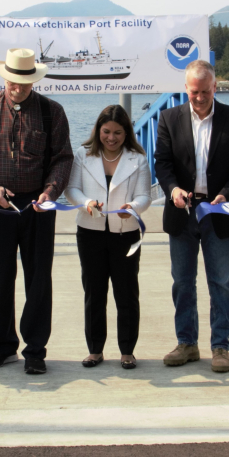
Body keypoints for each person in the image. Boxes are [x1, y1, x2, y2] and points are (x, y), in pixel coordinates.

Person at [0, 48, 74, 375]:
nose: (18, 87)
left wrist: (50, 192)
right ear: (4, 77)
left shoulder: (52, 112)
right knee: (1, 279)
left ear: (33, 81)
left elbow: (62, 159)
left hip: (37, 206)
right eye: (13, 81)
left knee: (38, 280)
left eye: (24, 82)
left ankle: (35, 350)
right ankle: (3, 346)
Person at [155, 60, 229, 373]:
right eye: (194, 91)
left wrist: (227, 194)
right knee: (182, 282)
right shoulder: (169, 118)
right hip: (182, 212)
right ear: (186, 88)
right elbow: (162, 163)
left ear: (215, 87)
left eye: (205, 91)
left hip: (218, 212)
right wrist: (172, 189)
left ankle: (220, 347)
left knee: (220, 283)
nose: (199, 97)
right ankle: (187, 343)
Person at [65, 104, 152, 370]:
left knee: (127, 293)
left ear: (126, 133)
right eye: (106, 132)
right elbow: (72, 189)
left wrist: (132, 208)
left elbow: (144, 196)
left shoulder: (138, 159)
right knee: (94, 292)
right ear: (98, 130)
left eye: (117, 133)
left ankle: (127, 351)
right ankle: (95, 349)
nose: (111, 138)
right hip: (89, 232)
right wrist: (86, 203)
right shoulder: (83, 154)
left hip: (126, 234)